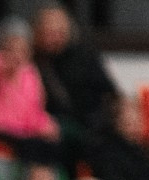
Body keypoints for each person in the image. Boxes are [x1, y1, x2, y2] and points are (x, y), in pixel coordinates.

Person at [0, 18, 62, 164]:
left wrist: (44, 125)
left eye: (22, 49)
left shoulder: (30, 73)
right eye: (11, 48)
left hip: (19, 130)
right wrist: (8, 64)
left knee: (52, 144)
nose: (17, 54)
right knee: (28, 145)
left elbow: (34, 107)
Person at [33, 4, 118, 165]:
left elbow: (109, 92)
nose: (54, 37)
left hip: (93, 125)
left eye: (58, 31)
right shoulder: (35, 62)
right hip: (55, 126)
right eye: (49, 32)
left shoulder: (85, 56)